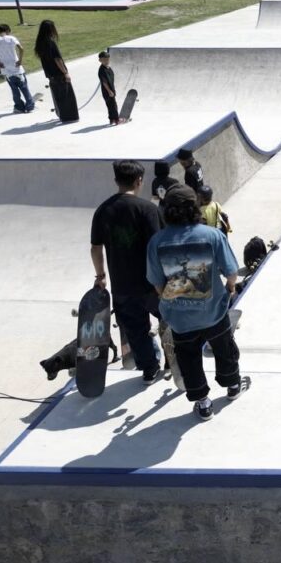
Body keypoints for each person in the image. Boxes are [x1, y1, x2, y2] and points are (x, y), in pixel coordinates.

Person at [146, 185, 247, 421]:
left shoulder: (157, 242)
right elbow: (231, 272)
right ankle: (232, 386)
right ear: (195, 207)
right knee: (224, 348)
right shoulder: (212, 235)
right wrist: (230, 288)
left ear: (166, 211)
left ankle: (203, 403)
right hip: (213, 312)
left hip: (180, 318)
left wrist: (169, 302)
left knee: (189, 358)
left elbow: (157, 283)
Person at [91, 161, 165, 384]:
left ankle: (150, 369)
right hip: (152, 283)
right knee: (169, 320)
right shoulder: (148, 209)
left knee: (136, 329)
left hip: (122, 285)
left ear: (116, 181)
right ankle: (175, 361)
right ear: (139, 181)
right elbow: (158, 246)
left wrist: (100, 276)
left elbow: (96, 248)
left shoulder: (103, 210)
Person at [0, 23, 35, 114]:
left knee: (14, 90)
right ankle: (29, 106)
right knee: (24, 88)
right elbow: (21, 49)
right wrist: (20, 60)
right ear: (7, 31)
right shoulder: (11, 38)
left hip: (5, 69)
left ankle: (19, 107)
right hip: (17, 68)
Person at [34, 20, 79, 123]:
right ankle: (70, 117)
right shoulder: (50, 42)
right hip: (58, 74)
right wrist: (65, 72)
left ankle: (62, 115)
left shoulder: (40, 43)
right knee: (67, 97)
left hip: (50, 75)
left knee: (58, 97)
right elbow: (57, 59)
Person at [97, 51, 123, 125]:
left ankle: (111, 119)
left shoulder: (108, 68)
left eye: (108, 59)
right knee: (113, 105)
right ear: (100, 60)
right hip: (107, 91)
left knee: (110, 105)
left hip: (111, 89)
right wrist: (109, 91)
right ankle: (117, 120)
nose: (106, 61)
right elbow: (104, 82)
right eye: (104, 60)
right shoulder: (102, 70)